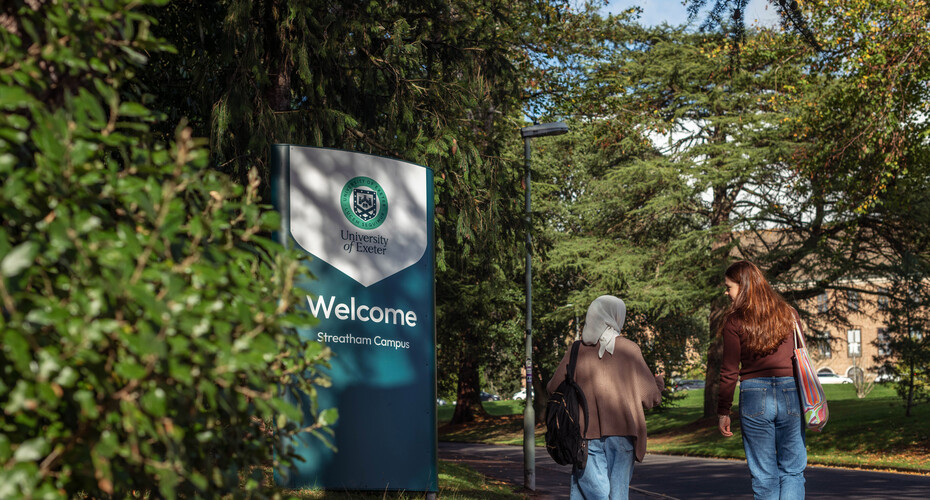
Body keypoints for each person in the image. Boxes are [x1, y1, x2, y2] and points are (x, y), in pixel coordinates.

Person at [547, 295, 664, 500]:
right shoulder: (629, 349)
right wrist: (659, 384)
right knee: (618, 495)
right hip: (624, 434)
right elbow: (650, 398)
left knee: (592, 495)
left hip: (584, 436)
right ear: (615, 316)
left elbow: (552, 388)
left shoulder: (576, 350)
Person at [717, 260, 807, 499]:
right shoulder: (788, 313)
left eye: (729, 287)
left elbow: (729, 370)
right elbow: (802, 356)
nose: (727, 293)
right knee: (792, 471)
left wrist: (723, 411)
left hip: (755, 394)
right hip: (791, 392)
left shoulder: (735, 320)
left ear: (743, 286)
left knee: (764, 475)